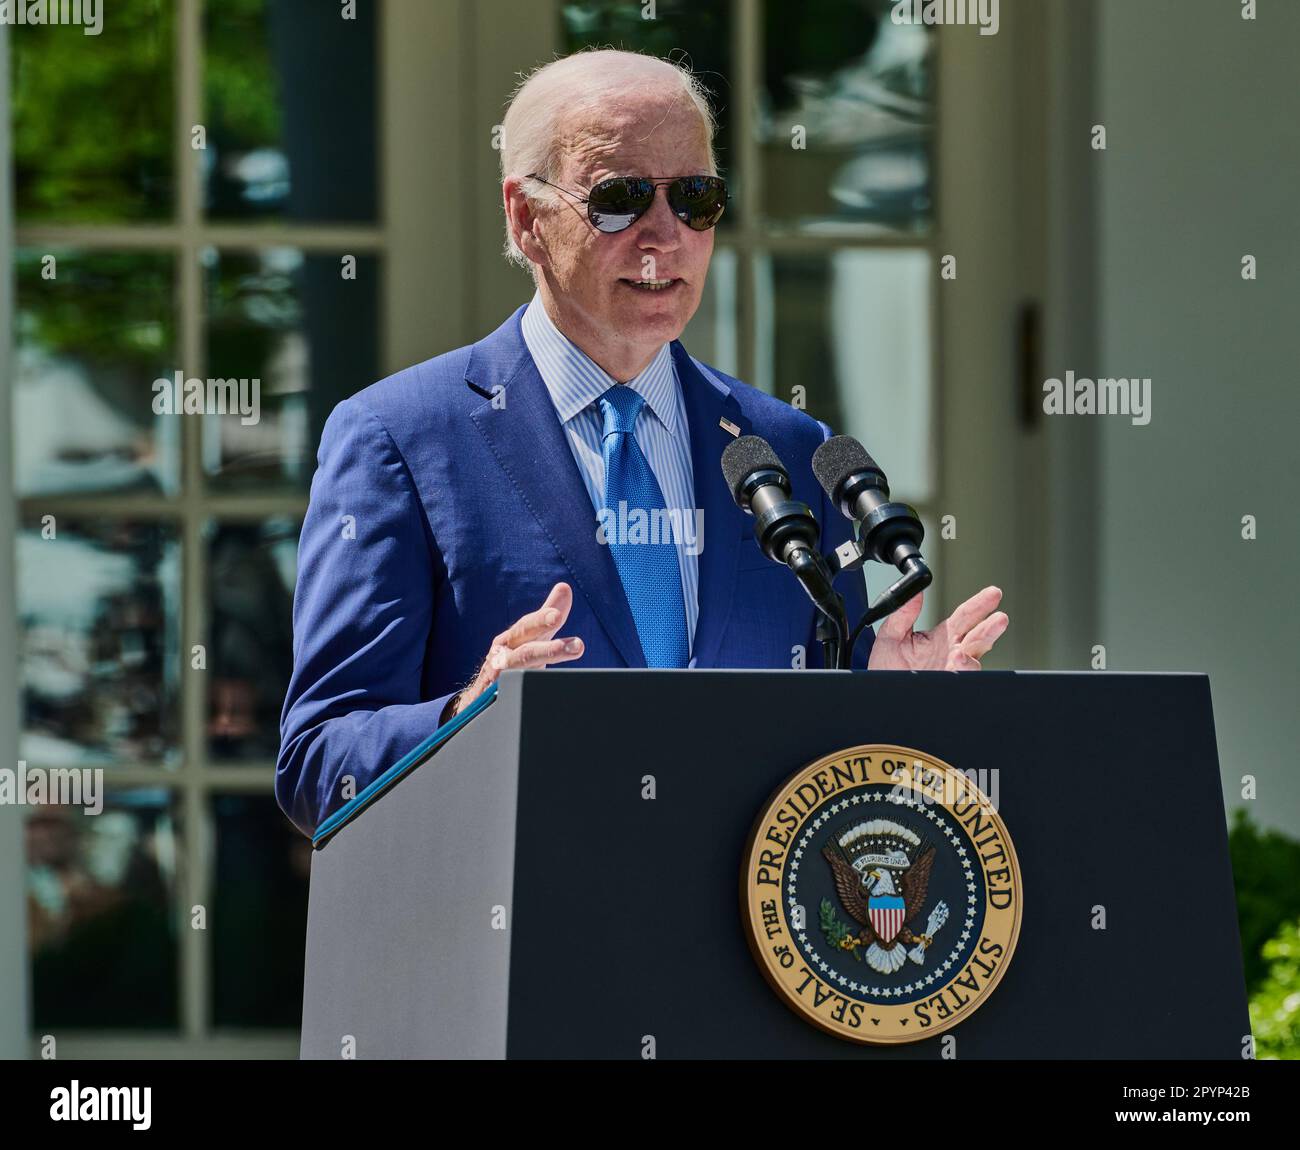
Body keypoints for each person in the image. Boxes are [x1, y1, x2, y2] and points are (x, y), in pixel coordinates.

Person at [276, 49, 1008, 837]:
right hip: (517, 939)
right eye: (620, 199)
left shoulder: (789, 450)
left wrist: (888, 712)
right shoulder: (398, 437)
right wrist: (469, 708)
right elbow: (321, 762)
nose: (665, 234)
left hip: (739, 950)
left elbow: (823, 776)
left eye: (695, 197)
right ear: (525, 217)